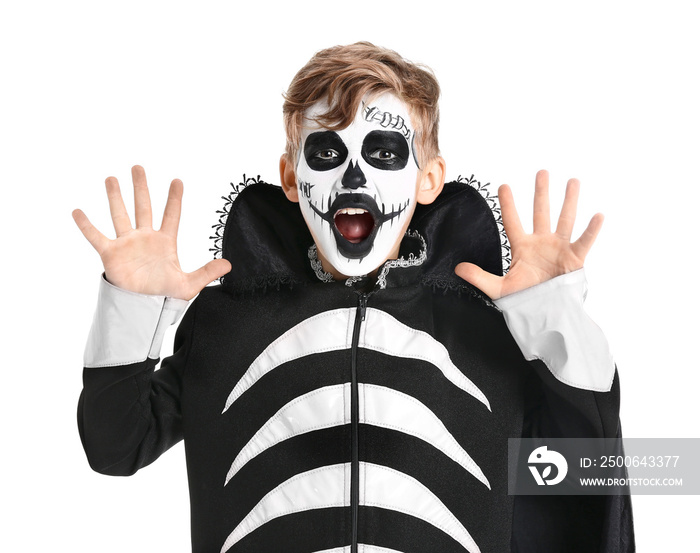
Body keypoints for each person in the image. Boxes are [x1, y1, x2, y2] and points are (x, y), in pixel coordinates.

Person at [73, 42, 634, 552]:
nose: (354, 178)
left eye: (386, 153)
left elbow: (588, 467)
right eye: (325, 154)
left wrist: (556, 320)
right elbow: (115, 447)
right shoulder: (227, 323)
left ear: (428, 178)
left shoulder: (487, 330)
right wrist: (133, 306)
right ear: (291, 180)